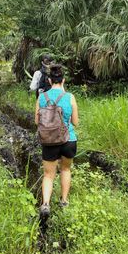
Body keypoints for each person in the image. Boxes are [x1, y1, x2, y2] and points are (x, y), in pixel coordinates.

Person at [34, 64, 78, 219]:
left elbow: (36, 121)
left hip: (49, 141)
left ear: (49, 80)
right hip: (68, 140)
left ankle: (45, 204)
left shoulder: (42, 97)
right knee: (65, 170)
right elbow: (75, 122)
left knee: (48, 174)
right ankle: (64, 202)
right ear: (63, 80)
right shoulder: (70, 97)